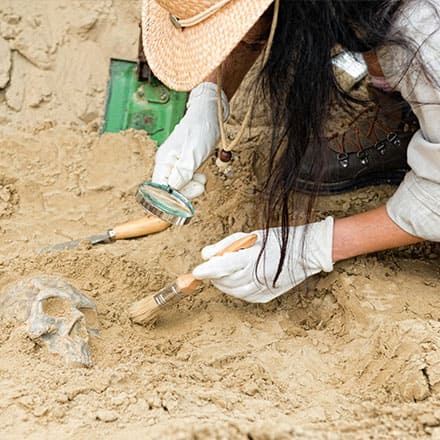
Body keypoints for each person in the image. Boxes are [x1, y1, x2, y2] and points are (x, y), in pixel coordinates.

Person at [141, 0, 440, 303]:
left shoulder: (425, 34)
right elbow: (252, 25)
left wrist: (313, 247)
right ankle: (407, 119)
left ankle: (415, 124)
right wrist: (207, 102)